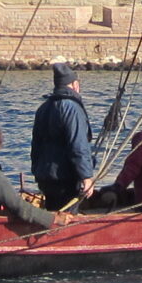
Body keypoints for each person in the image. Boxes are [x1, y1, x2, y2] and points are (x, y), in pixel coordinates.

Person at [29, 61, 96, 209]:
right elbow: (78, 145)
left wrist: (36, 171)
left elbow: (35, 145)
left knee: (53, 211)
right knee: (66, 216)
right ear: (75, 85)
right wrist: (86, 177)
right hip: (65, 179)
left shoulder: (43, 108)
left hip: (45, 178)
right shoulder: (72, 108)